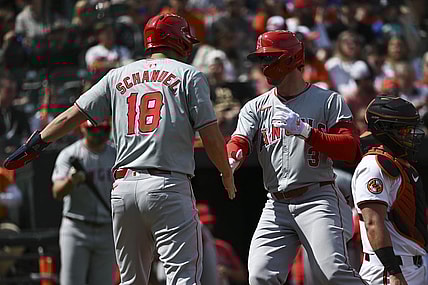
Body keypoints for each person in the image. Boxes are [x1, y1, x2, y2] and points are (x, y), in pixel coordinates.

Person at [3, 13, 236, 285]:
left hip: (124, 188)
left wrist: (35, 144)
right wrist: (226, 172)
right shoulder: (189, 74)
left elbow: (70, 116)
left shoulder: (118, 75)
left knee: (131, 281)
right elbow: (211, 136)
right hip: (168, 184)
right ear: (178, 39)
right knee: (183, 279)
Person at [226, 30, 367, 284]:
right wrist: (233, 155)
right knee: (259, 276)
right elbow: (240, 140)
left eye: (270, 58)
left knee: (333, 274)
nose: (264, 65)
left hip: (317, 197)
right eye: (262, 59)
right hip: (276, 204)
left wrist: (306, 132)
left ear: (291, 59)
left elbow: (351, 150)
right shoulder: (256, 107)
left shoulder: (327, 100)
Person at [351, 96, 428, 285]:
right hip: (389, 271)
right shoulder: (374, 166)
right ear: (385, 130)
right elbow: (373, 222)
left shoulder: (400, 163)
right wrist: (394, 272)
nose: (411, 134)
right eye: (404, 129)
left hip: (415, 266)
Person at [51, 120, 116, 285]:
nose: (99, 133)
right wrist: (70, 181)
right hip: (76, 227)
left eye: (104, 129)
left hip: (107, 228)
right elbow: (56, 192)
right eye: (94, 129)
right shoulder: (70, 154)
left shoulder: (116, 153)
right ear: (82, 128)